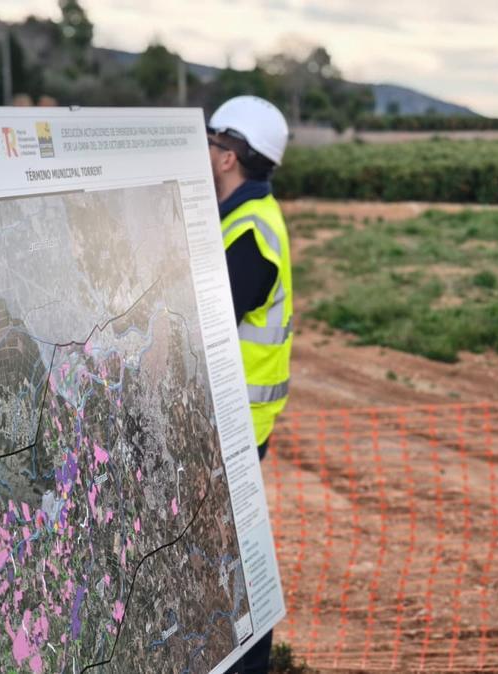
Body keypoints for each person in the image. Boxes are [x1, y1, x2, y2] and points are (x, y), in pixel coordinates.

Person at [208, 95, 292, 674]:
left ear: (228, 157)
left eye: (211, 142)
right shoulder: (241, 215)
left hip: (236, 422)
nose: (204, 151)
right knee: (225, 547)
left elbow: (205, 321)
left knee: (227, 555)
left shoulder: (251, 234)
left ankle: (249, 662)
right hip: (232, 417)